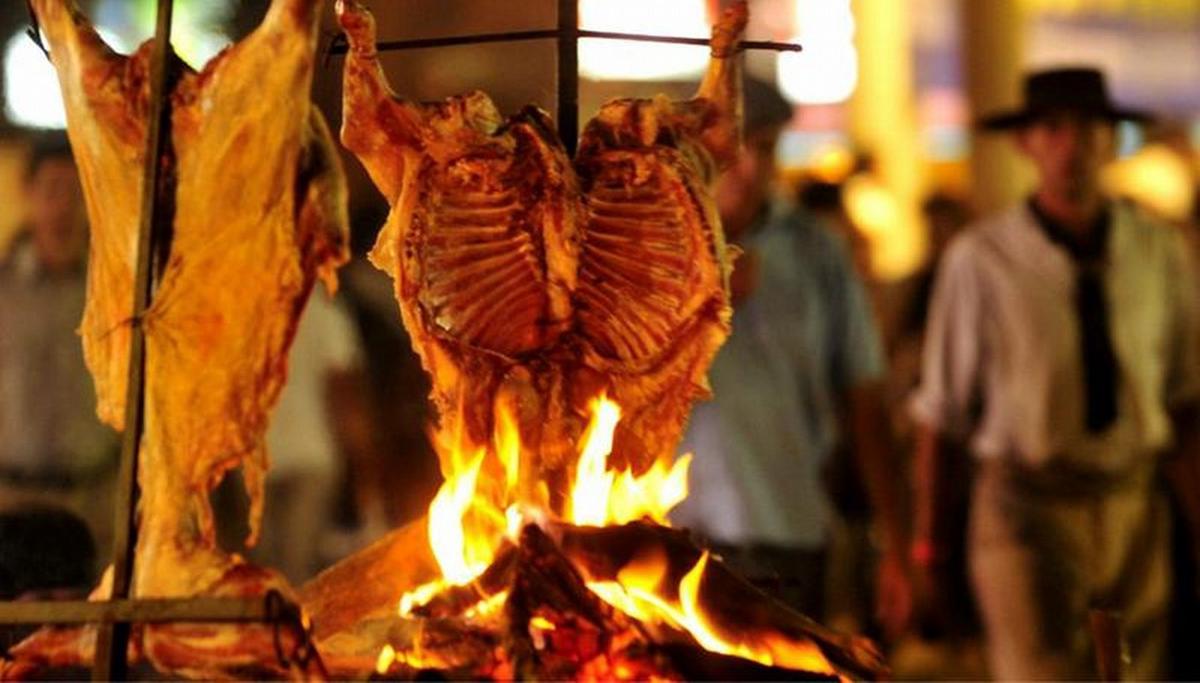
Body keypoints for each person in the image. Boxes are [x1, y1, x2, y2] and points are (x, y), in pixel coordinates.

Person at [909, 67, 1200, 679]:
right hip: (1026, 503)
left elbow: (1183, 400)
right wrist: (929, 550)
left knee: (1136, 668)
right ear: (1027, 143)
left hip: (1131, 502)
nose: (1072, 146)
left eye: (1090, 130)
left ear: (1112, 141)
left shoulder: (1157, 251)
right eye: (1053, 128)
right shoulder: (983, 260)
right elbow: (942, 416)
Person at [671, 78, 909, 636]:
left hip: (786, 529)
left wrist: (897, 545)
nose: (749, 168)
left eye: (767, 147)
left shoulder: (816, 252)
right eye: (733, 149)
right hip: (668, 535)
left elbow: (865, 402)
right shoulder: (650, 245)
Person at [0, 132, 119, 565]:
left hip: (93, 502)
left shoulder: (117, 292)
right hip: (9, 499)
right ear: (29, 194)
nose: (64, 206)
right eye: (52, 191)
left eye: (77, 191)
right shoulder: (6, 290)